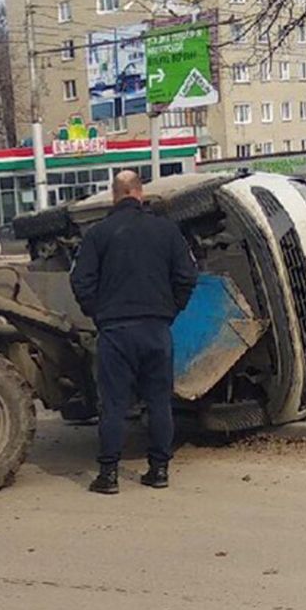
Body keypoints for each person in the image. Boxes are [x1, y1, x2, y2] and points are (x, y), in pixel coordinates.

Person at [70, 170, 198, 494]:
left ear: (116, 195)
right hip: (157, 329)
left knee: (113, 405)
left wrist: (97, 312)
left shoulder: (99, 234)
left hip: (116, 331)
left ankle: (109, 476)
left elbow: (80, 280)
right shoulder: (167, 231)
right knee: (159, 402)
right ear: (140, 194)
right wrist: (171, 309)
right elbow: (187, 276)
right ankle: (159, 471)